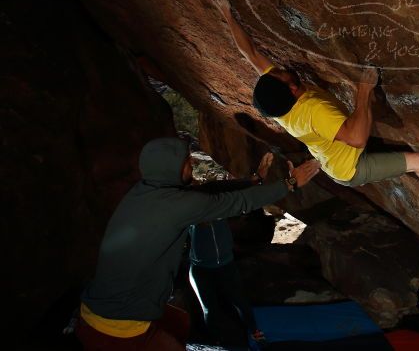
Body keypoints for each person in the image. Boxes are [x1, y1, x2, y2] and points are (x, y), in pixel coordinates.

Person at [210, 0, 419, 211]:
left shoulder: (281, 102)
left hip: (333, 156)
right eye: (282, 75)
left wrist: (225, 13)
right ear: (293, 90)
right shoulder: (313, 110)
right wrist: (363, 90)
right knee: (418, 161)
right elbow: (357, 138)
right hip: (350, 167)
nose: (280, 69)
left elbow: (251, 54)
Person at [76, 137, 320, 350]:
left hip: (94, 312)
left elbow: (210, 191)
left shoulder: (145, 192)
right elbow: (237, 203)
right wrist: (289, 183)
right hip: (118, 329)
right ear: (172, 167)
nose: (191, 164)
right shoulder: (175, 205)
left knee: (180, 322)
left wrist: (252, 180)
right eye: (187, 161)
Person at [187, 153, 279, 349]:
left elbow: (236, 189)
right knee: (209, 309)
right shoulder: (183, 207)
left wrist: (257, 178)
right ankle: (215, 343)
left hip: (225, 264)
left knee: (240, 302)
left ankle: (254, 331)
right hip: (201, 268)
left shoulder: (213, 195)